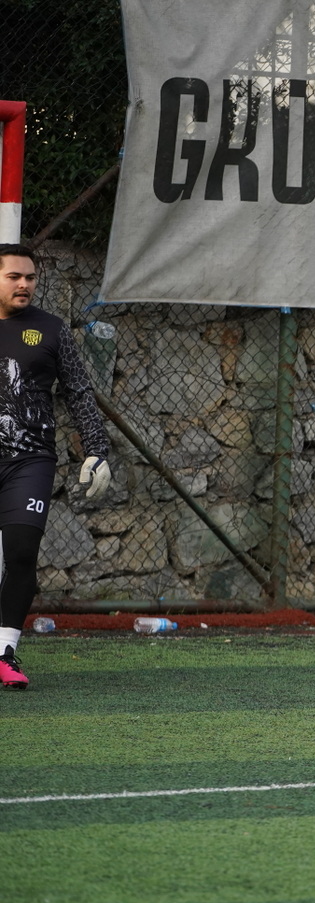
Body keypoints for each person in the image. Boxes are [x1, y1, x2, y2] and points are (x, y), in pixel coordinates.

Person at [0, 244, 111, 690]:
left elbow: (79, 391)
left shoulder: (50, 329)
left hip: (30, 460)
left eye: (30, 277)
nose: (24, 284)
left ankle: (4, 652)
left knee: (22, 552)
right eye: (14, 276)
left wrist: (97, 449)